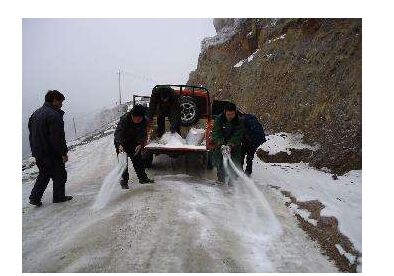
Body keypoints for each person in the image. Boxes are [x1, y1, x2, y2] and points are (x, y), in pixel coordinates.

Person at [28, 90, 72, 207]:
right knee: (60, 175)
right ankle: (59, 197)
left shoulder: (35, 114)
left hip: (38, 152)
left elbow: (32, 133)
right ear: (54, 100)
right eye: (60, 101)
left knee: (44, 174)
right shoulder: (54, 115)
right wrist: (63, 153)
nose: (61, 104)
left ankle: (34, 197)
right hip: (51, 153)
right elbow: (57, 137)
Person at [114, 104, 154, 189]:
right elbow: (118, 133)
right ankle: (124, 182)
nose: (137, 120)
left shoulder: (144, 121)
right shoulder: (124, 119)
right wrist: (119, 144)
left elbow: (143, 134)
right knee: (123, 163)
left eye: (139, 119)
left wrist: (140, 144)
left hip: (134, 142)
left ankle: (143, 179)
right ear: (132, 115)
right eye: (136, 118)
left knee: (138, 160)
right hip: (122, 142)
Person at [211, 102, 245, 184]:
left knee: (234, 164)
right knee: (220, 163)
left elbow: (238, 135)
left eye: (232, 114)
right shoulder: (219, 119)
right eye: (228, 114)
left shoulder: (239, 121)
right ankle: (220, 180)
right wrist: (221, 144)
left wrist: (230, 145)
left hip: (234, 146)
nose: (230, 117)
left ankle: (232, 183)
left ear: (235, 113)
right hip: (221, 145)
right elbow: (216, 132)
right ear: (225, 112)